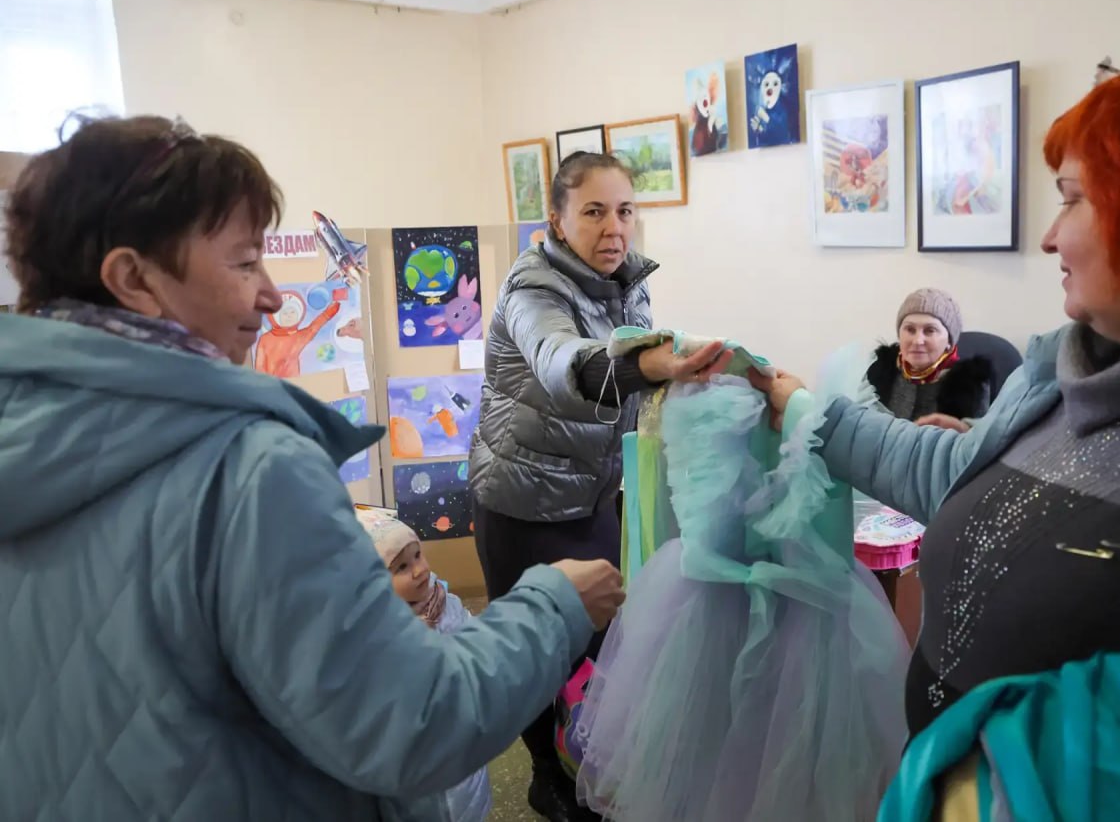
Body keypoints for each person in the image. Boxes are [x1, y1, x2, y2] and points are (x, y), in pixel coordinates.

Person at [0, 114, 626, 822]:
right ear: (132, 278)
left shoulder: (27, 438)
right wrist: (553, 604)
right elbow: (412, 722)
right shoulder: (248, 471)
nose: (272, 295)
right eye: (244, 263)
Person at [752, 49, 1120, 747]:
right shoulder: (1054, 373)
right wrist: (805, 410)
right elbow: (950, 472)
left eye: (1072, 198)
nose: (1049, 237)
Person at [469, 150, 730, 822]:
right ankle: (544, 776)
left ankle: (589, 768)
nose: (614, 228)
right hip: (523, 501)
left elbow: (633, 386)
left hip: (594, 496)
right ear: (557, 221)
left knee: (601, 642)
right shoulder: (532, 289)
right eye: (593, 212)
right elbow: (567, 365)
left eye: (624, 210)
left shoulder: (626, 283)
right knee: (537, 651)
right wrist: (652, 363)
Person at [356, 507, 491, 822]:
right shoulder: (372, 636)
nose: (419, 570)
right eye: (401, 567)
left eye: (418, 555)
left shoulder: (444, 602)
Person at [865, 288, 992, 428]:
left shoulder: (972, 386)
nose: (918, 340)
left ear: (949, 341)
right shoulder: (878, 370)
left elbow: (979, 438)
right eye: (910, 329)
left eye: (930, 330)